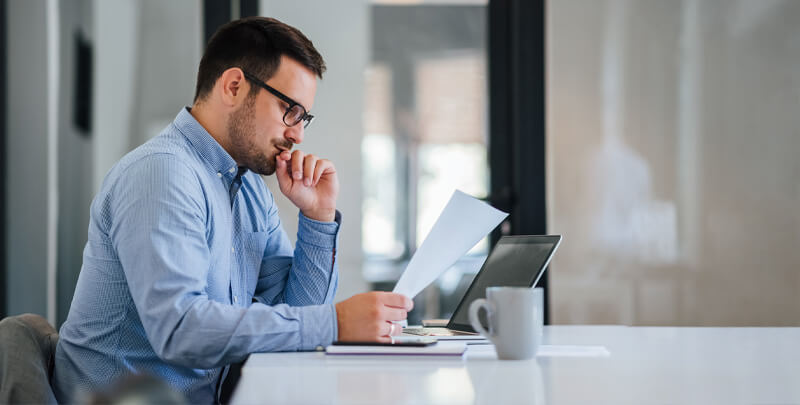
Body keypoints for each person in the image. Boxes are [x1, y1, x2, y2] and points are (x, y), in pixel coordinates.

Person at [52, 16, 413, 404]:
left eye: (303, 118)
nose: (298, 134)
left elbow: (297, 314)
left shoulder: (250, 190)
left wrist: (318, 217)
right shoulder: (163, 173)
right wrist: (336, 323)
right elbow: (179, 330)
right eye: (289, 110)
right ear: (234, 86)